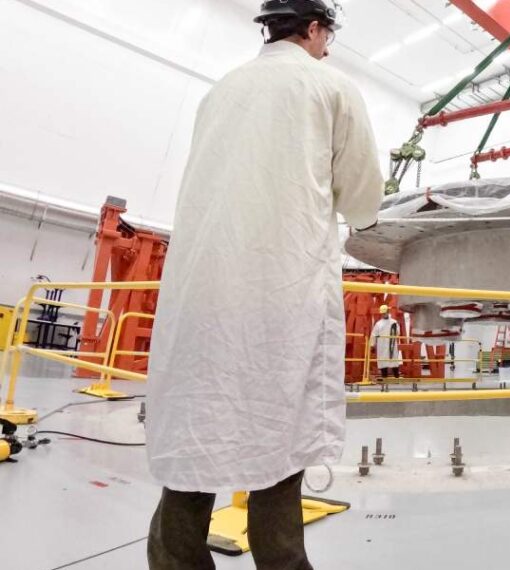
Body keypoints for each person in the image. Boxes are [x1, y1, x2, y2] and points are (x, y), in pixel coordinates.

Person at [145, 1, 385, 568]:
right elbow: (361, 196)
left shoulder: (220, 90)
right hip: (279, 284)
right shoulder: (329, 87)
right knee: (279, 428)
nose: (329, 45)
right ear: (313, 28)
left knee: (196, 426)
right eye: (328, 35)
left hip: (201, 286)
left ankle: (173, 560)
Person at [370, 305, 402, 379]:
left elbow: (398, 333)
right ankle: (384, 377)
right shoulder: (379, 324)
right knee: (383, 361)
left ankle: (396, 377)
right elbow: (374, 334)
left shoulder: (394, 322)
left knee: (394, 360)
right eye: (383, 313)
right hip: (382, 345)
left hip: (392, 344)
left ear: (388, 312)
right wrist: (372, 345)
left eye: (385, 313)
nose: (384, 314)